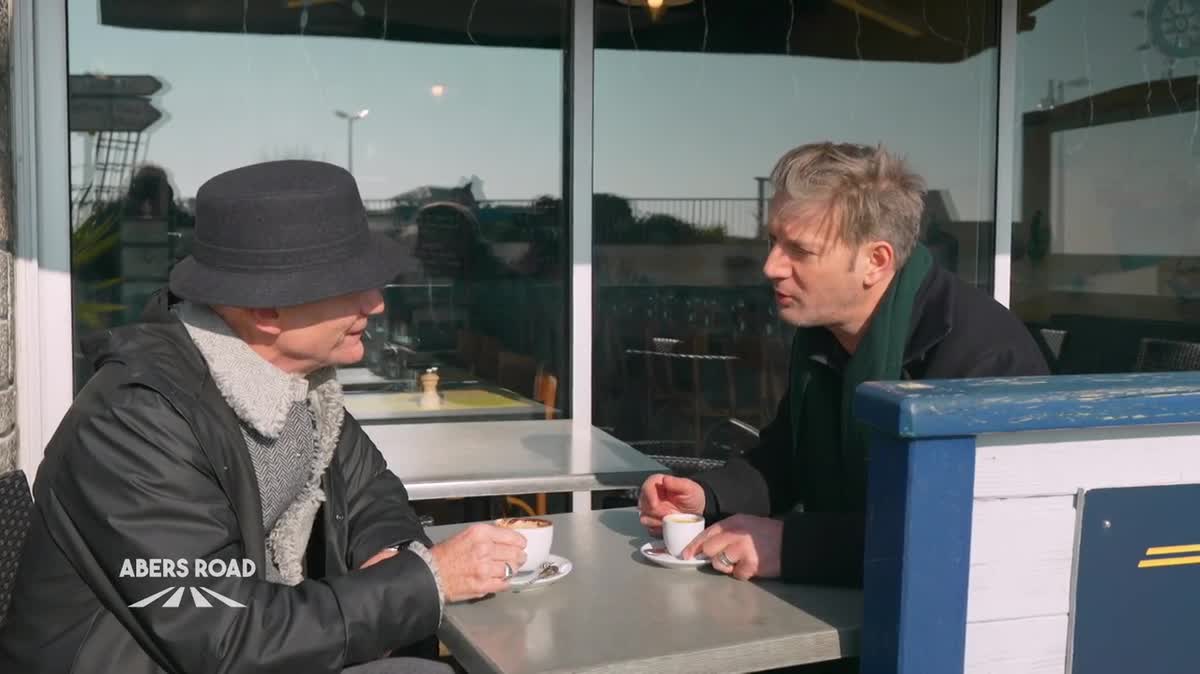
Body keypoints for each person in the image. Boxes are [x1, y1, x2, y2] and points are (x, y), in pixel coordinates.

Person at [0, 160, 529, 674]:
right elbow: (225, 636)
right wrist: (425, 581)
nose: (376, 305)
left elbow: (372, 491)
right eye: (350, 286)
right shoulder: (134, 424)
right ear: (265, 311)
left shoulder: (300, 386)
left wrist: (391, 557)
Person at [638, 142, 1049, 588]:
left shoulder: (982, 359)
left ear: (876, 261)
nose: (771, 266)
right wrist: (705, 495)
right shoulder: (826, 332)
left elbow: (966, 533)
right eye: (774, 241)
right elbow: (786, 457)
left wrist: (792, 545)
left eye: (800, 250)